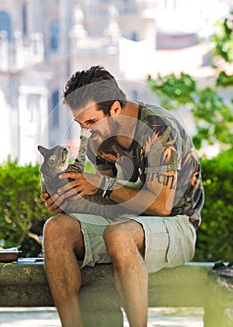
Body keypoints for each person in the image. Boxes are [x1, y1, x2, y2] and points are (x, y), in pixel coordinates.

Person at [41, 65, 204, 327]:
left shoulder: (158, 128)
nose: (85, 132)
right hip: (127, 223)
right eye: (80, 124)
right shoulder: (99, 139)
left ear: (115, 108)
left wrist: (102, 185)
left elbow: (162, 206)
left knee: (118, 235)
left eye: (91, 122)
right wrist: (67, 202)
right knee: (56, 230)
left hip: (178, 223)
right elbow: (111, 205)